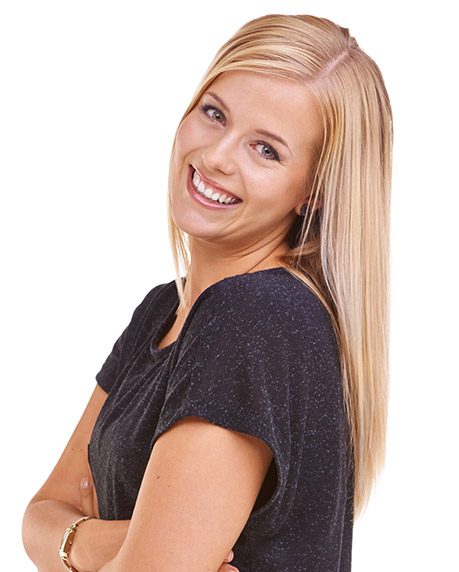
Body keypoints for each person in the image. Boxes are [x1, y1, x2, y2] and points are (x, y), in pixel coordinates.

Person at [22, 13, 393, 572]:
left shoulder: (255, 319)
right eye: (214, 114)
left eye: (266, 150)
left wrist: (82, 546)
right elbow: (40, 513)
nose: (218, 157)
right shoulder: (163, 310)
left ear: (313, 194)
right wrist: (100, 545)